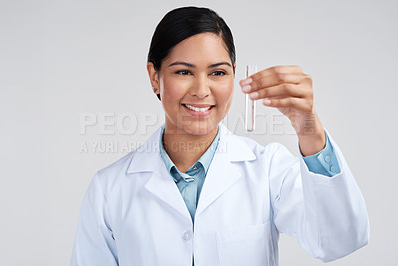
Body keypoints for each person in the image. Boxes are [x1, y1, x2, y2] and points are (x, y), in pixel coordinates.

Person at [70, 6, 369, 266]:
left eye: (218, 73)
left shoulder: (268, 170)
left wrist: (309, 128)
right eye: (184, 72)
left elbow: (339, 240)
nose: (202, 90)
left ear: (234, 75)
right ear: (154, 77)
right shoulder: (109, 190)